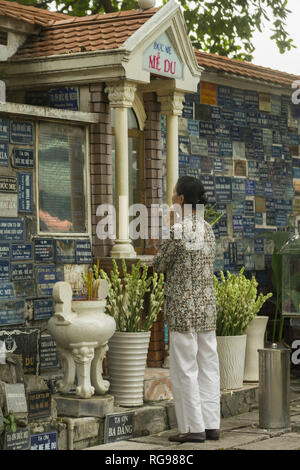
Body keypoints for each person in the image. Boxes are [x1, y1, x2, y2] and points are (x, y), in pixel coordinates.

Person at [152, 175, 220, 443]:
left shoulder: (179, 230)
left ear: (181, 199)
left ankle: (193, 427)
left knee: (185, 369)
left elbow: (159, 264)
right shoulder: (208, 228)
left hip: (183, 310)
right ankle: (211, 424)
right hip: (206, 310)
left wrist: (170, 225)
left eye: (173, 194)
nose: (171, 198)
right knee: (208, 366)